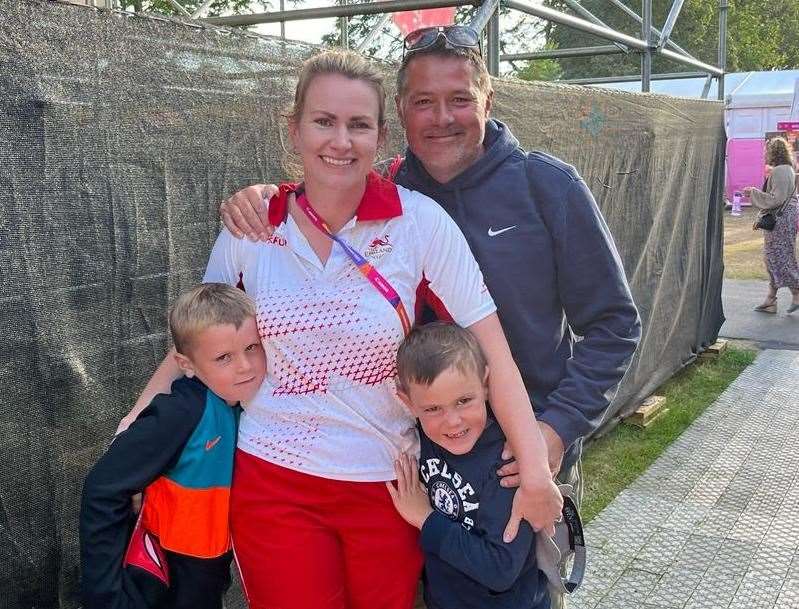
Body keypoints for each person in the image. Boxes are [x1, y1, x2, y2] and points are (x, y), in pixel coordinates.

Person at [119, 50, 562, 609]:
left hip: (390, 483)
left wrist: (537, 473)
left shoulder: (419, 222)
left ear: (381, 135)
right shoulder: (253, 227)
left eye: (359, 125)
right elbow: (196, 347)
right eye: (324, 121)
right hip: (274, 480)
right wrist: (129, 437)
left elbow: (492, 352)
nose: (340, 141)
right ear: (295, 128)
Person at [220, 27, 640, 506]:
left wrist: (557, 428)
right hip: (422, 454)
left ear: (488, 100)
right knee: (435, 578)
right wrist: (262, 199)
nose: (442, 118)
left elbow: (614, 326)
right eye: (423, 101)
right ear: (399, 112)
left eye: (459, 98)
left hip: (520, 454)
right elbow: (319, 190)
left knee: (521, 579)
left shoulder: (547, 187)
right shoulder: (388, 192)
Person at [80, 283, 267, 609]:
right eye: (224, 357)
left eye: (252, 347)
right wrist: (106, 596)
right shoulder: (181, 412)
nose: (245, 366)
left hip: (206, 577)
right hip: (160, 584)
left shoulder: (243, 404)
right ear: (186, 364)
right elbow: (103, 487)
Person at [388, 322, 552, 609]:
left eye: (464, 401)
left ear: (487, 385)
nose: (452, 421)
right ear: (408, 403)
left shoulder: (505, 463)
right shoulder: (423, 438)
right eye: (433, 408)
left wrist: (426, 519)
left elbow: (501, 569)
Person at [745, 137, 799, 314]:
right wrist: (760, 218)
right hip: (784, 219)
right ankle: (771, 300)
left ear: (773, 151)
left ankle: (796, 292)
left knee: (779, 257)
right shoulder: (786, 169)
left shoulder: (781, 171)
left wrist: (752, 192)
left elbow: (777, 199)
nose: (764, 153)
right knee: (775, 257)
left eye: (767, 149)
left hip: (781, 221)